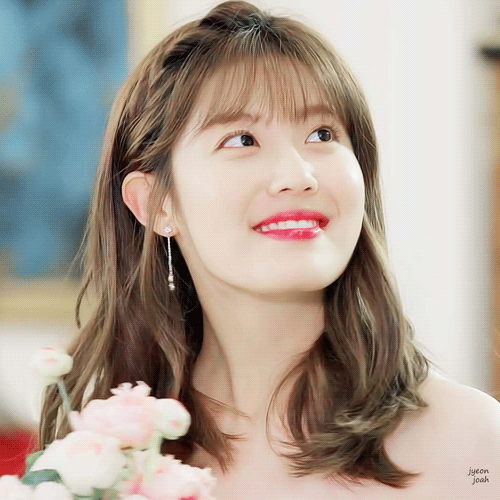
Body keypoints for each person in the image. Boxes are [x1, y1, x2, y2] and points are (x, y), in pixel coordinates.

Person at [38, 1, 500, 498]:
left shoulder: (473, 445)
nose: (298, 176)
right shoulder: (103, 461)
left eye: (322, 134)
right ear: (155, 203)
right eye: (242, 140)